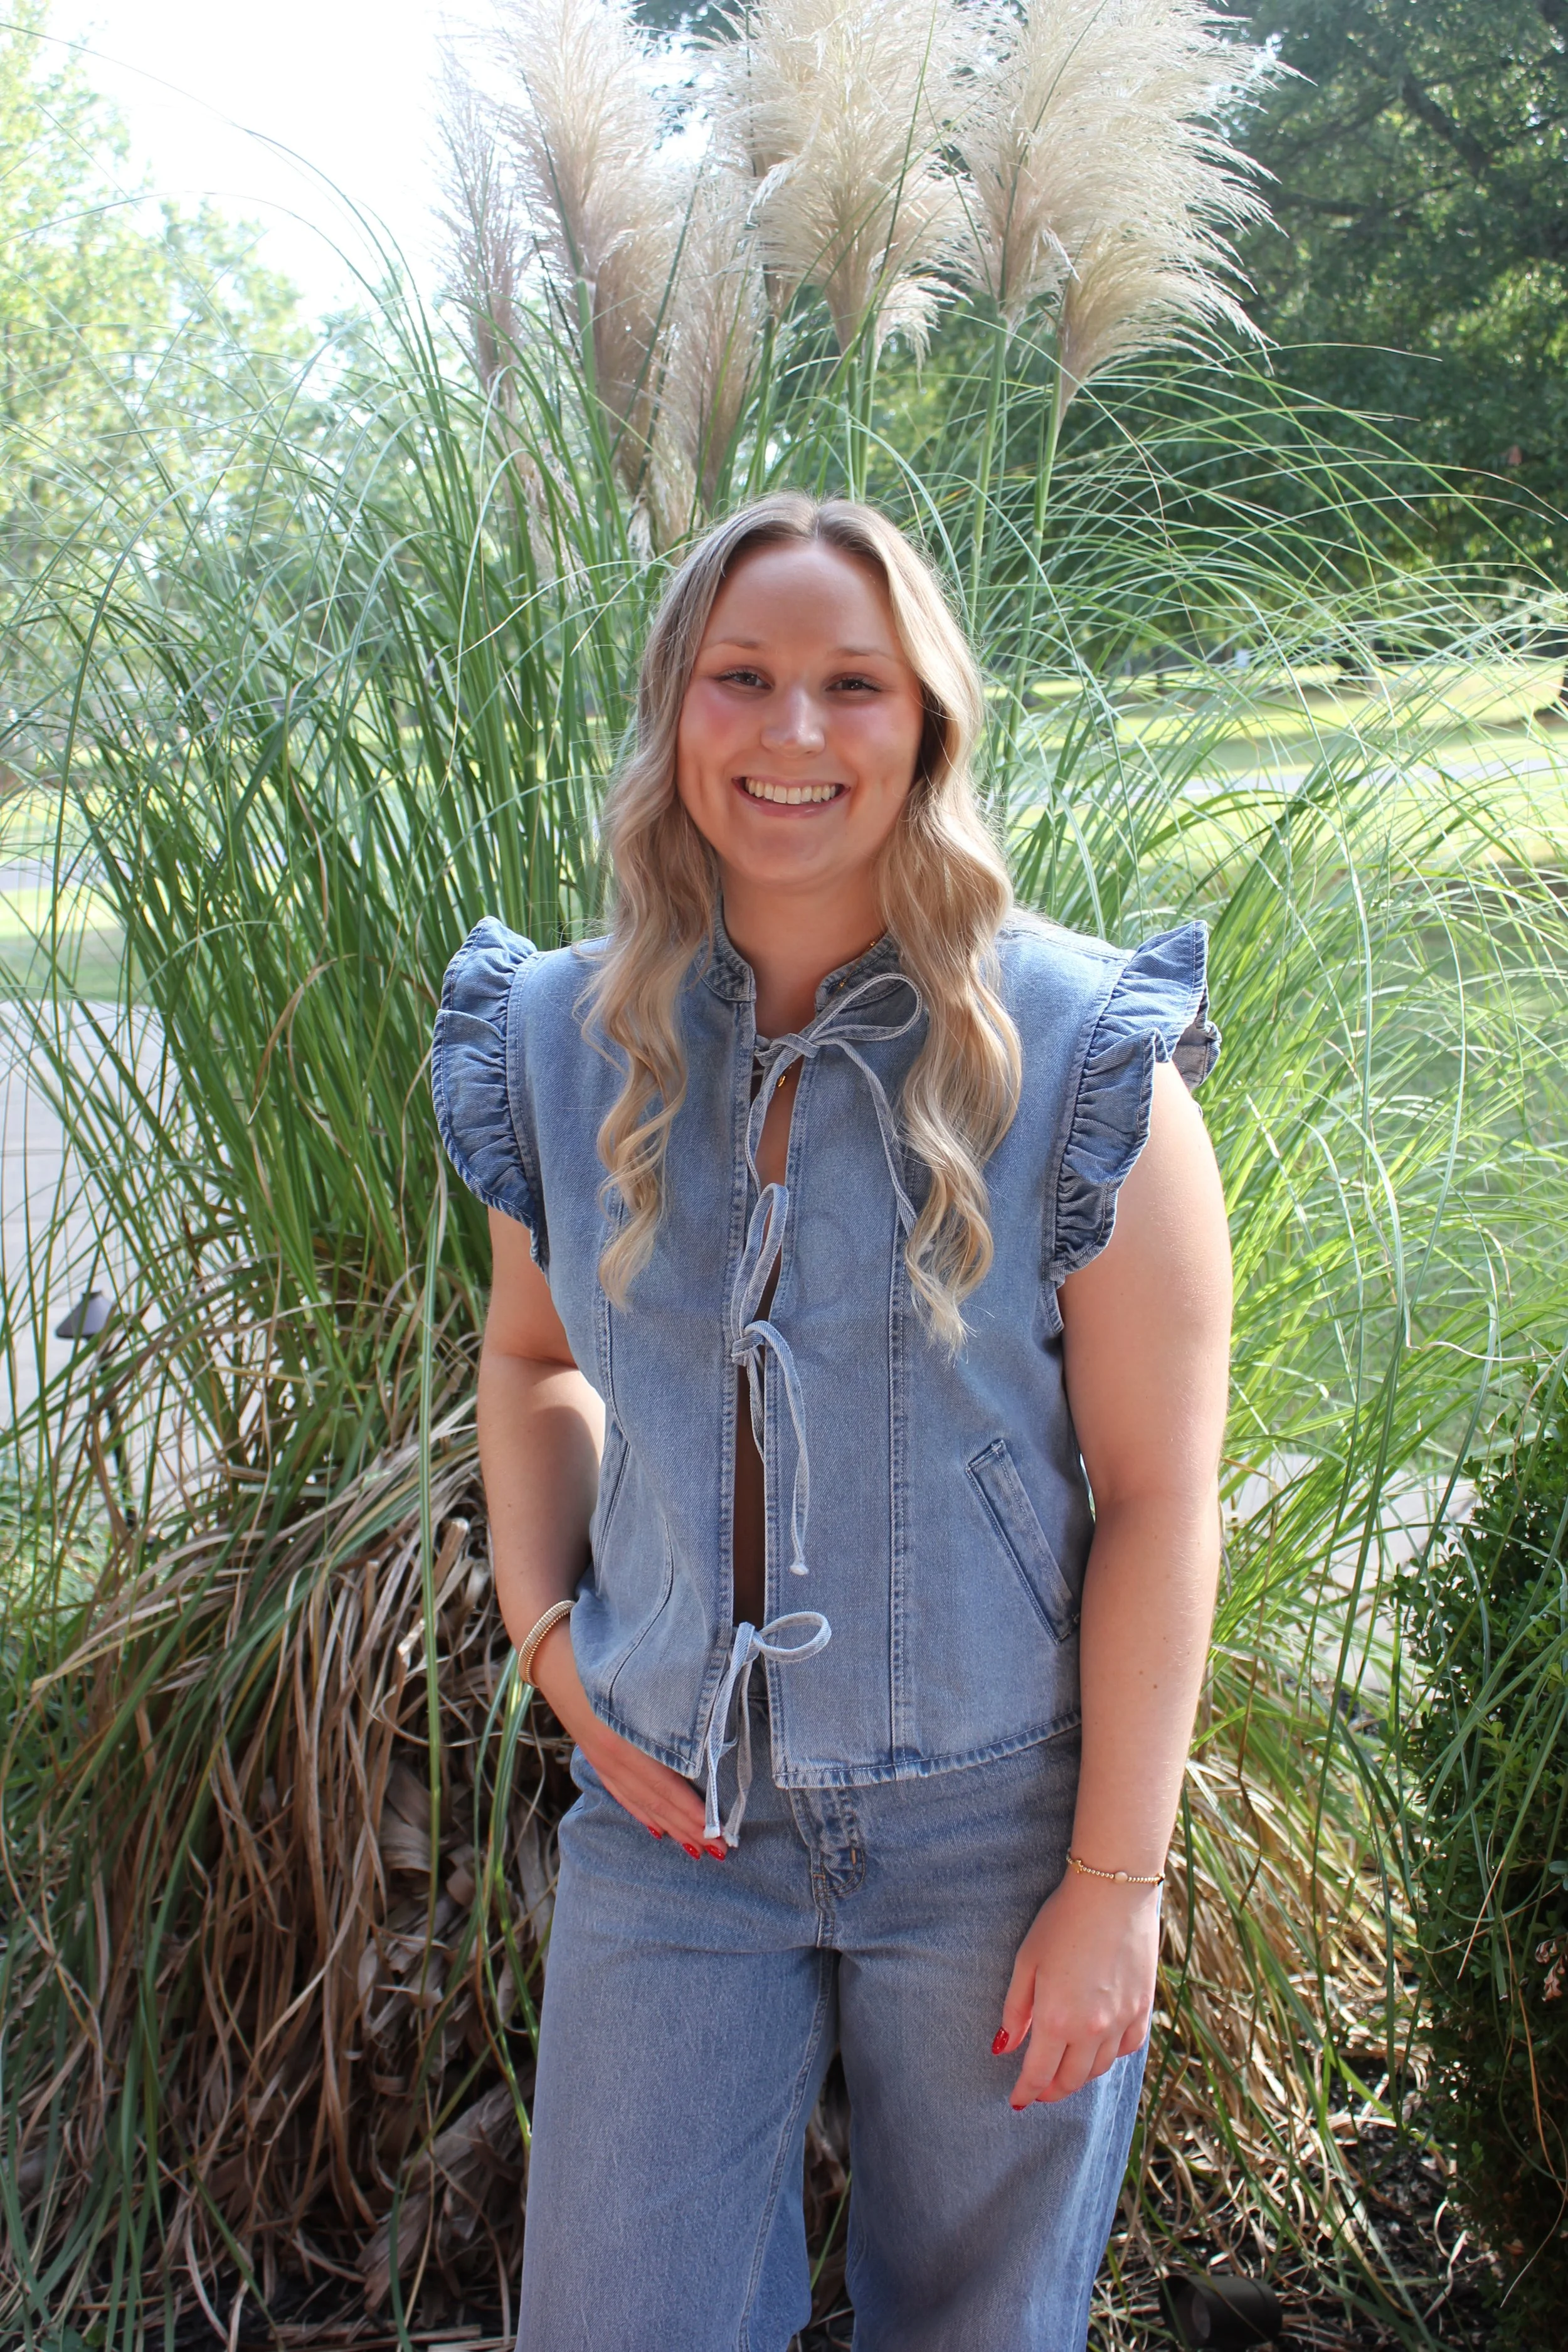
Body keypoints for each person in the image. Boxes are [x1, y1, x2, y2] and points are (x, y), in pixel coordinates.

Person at [431, 492, 1232, 2352]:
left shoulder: (1078, 1049)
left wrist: (1115, 1883)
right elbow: (530, 1358)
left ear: (926, 720)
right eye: (743, 676)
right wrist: (553, 1651)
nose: (794, 730)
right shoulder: (559, 1036)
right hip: (668, 1826)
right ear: (674, 708)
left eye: (852, 684)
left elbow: (1160, 1493)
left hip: (998, 1830)